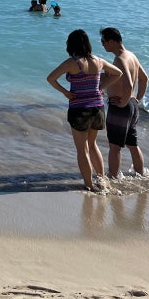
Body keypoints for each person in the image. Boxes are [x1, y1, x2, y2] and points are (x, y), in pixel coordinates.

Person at [46, 29, 122, 191]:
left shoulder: (72, 62)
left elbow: (50, 78)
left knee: (82, 150)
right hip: (98, 108)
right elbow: (118, 73)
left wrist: (65, 92)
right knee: (93, 145)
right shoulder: (98, 60)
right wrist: (101, 86)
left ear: (71, 45)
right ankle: (102, 181)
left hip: (80, 109)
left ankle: (89, 185)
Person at [99, 27, 147, 177]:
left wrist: (123, 103)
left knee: (114, 147)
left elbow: (128, 84)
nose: (102, 44)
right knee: (132, 144)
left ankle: (113, 178)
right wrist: (136, 99)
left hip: (121, 107)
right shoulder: (131, 55)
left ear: (112, 41)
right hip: (132, 106)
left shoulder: (119, 59)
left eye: (103, 41)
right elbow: (144, 78)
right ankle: (140, 175)